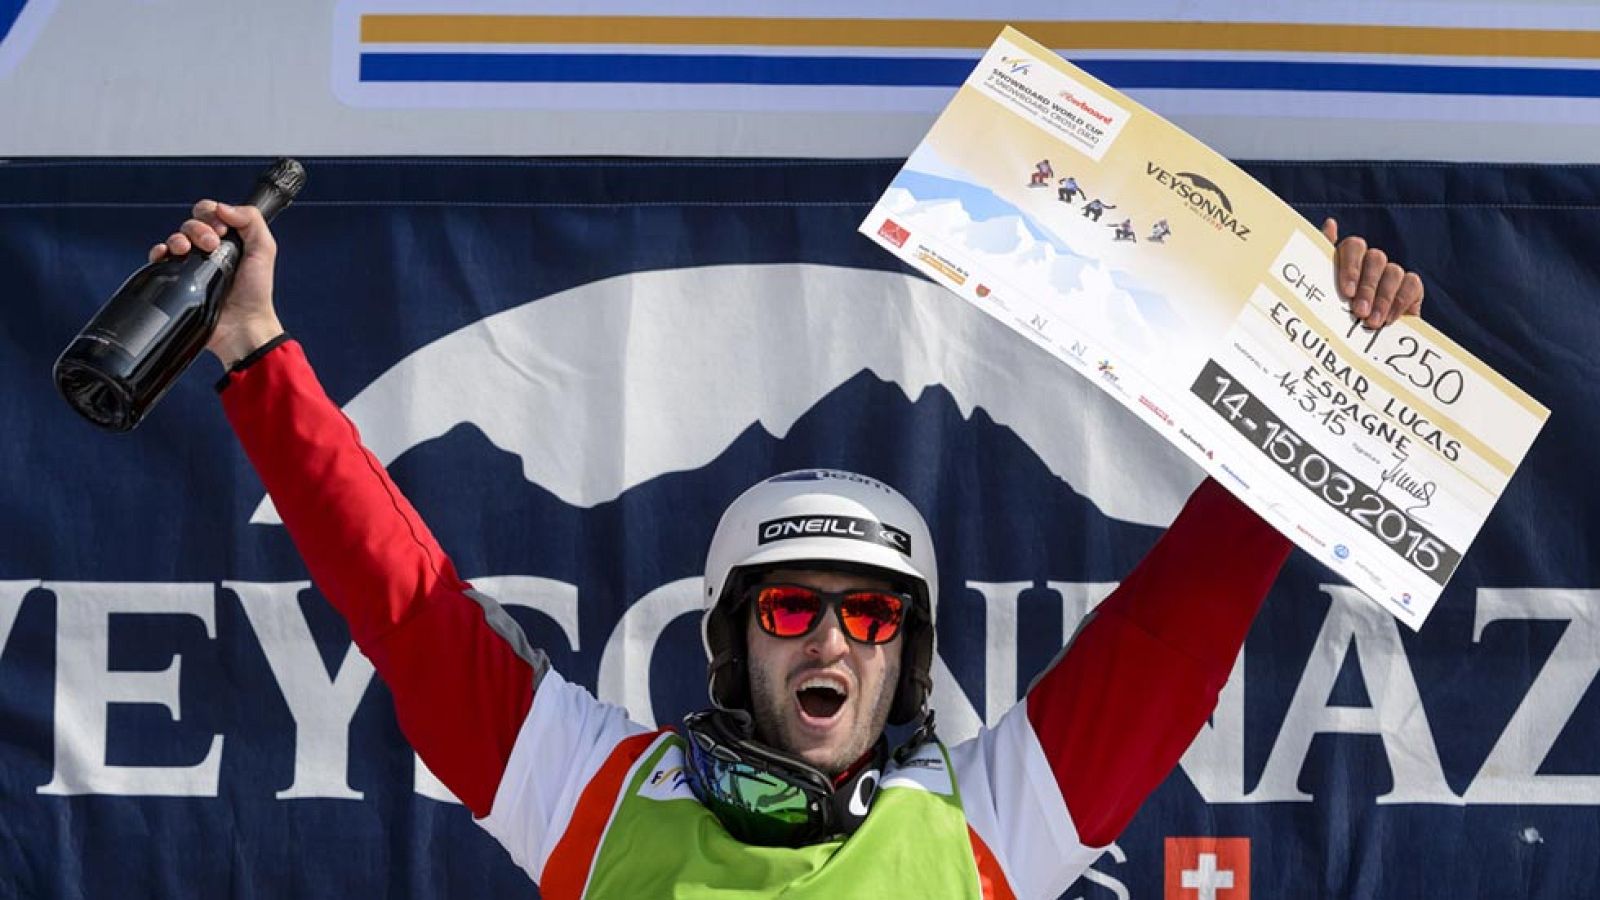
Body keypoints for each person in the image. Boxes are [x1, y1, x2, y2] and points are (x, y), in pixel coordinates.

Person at [155, 203, 1423, 897]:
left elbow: (1169, 638)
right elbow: (413, 615)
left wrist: (1316, 380)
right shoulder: (594, 796)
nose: (829, 638)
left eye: (871, 618)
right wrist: (258, 351)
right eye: (791, 610)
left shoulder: (988, 820)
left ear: (908, 653)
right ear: (728, 639)